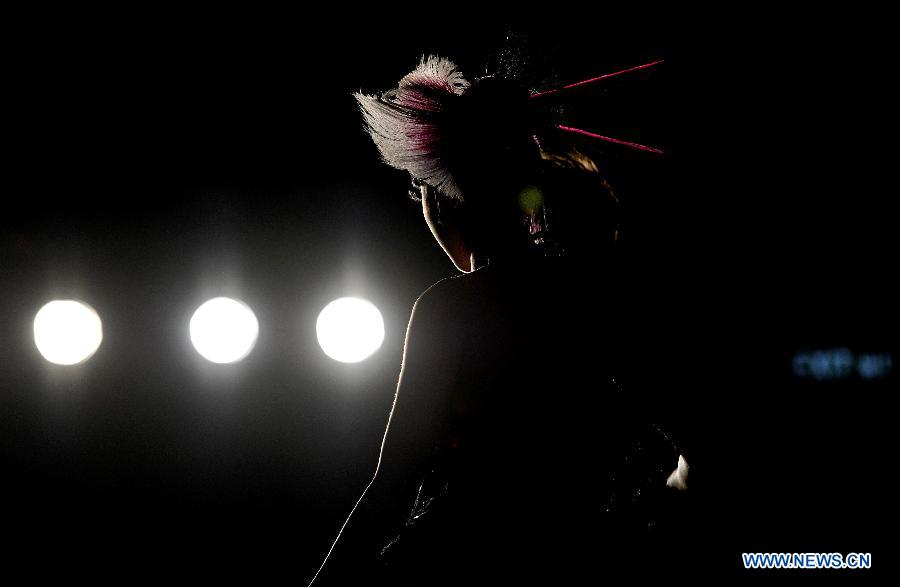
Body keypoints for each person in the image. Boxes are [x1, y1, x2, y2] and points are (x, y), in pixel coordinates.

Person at [309, 56, 688, 586]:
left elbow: (394, 481)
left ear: (441, 202)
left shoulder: (454, 308)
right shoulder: (592, 295)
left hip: (468, 563)